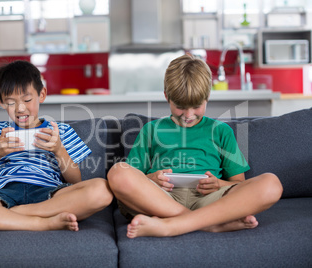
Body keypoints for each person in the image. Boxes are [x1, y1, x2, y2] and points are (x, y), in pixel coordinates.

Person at [107, 54, 283, 238]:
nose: (188, 114)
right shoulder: (151, 130)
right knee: (118, 172)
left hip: (210, 199)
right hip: (161, 199)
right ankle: (208, 225)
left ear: (207, 97)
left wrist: (218, 184)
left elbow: (238, 183)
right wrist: (152, 178)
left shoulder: (221, 131)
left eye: (196, 106)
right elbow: (135, 176)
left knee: (271, 184)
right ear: (167, 96)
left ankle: (172, 225)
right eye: (180, 106)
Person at [0, 60, 113, 231]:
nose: (20, 108)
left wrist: (59, 150)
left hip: (50, 193)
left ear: (42, 95)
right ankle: (41, 223)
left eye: (27, 99)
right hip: (3, 193)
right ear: (0, 101)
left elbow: (76, 181)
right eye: (11, 102)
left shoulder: (60, 131)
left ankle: (18, 214)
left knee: (102, 189)